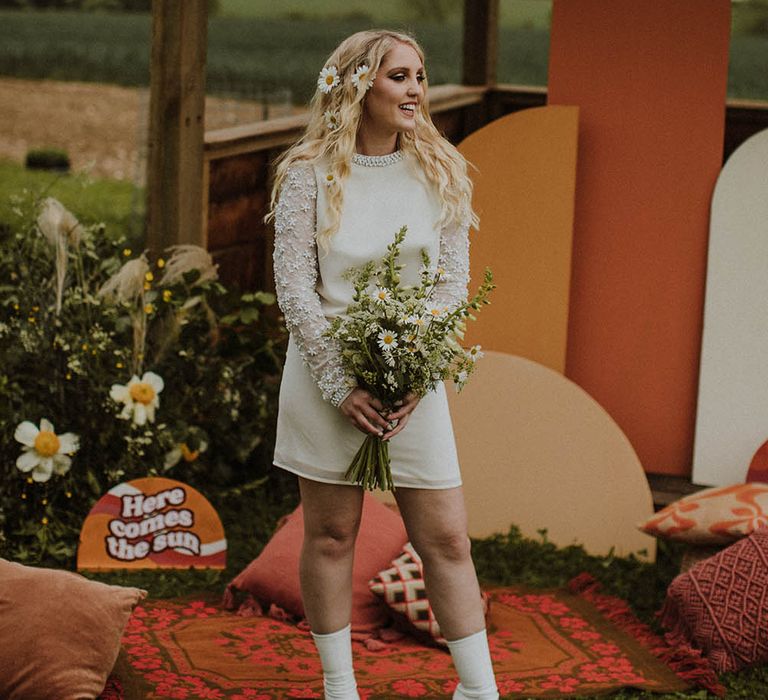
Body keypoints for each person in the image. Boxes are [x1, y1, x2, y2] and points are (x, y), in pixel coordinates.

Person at [267, 29, 498, 700]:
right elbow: (295, 292)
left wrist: (417, 374)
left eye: (420, 76)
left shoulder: (440, 170)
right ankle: (341, 687)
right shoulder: (306, 174)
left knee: (449, 540)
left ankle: (478, 691)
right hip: (325, 378)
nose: (417, 89)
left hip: (413, 389)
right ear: (359, 86)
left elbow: (453, 286)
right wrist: (342, 384)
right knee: (333, 536)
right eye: (400, 76)